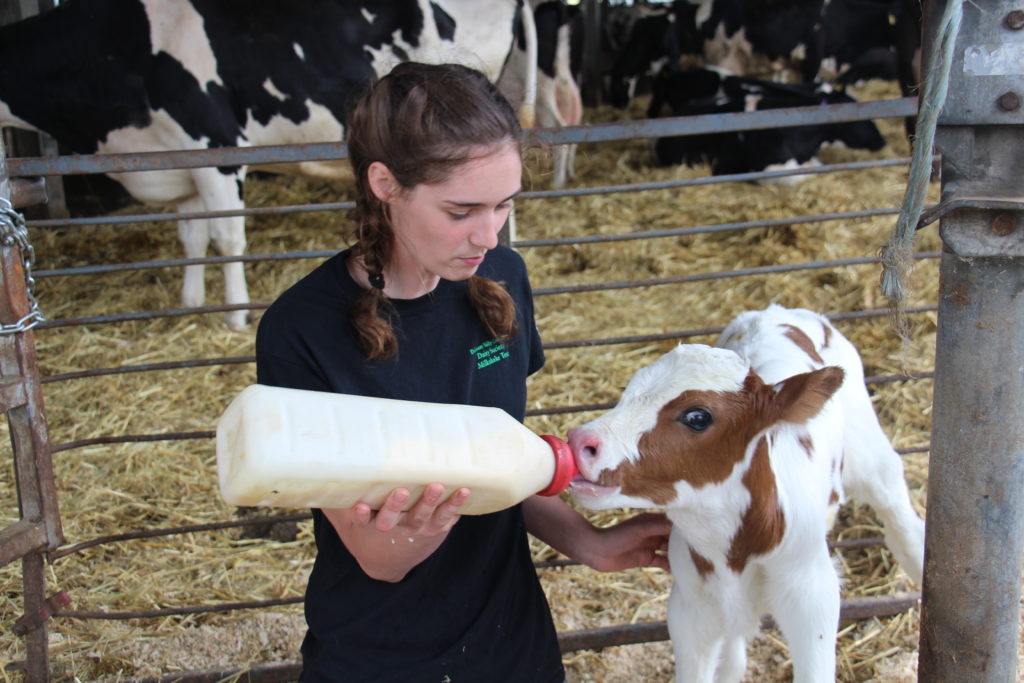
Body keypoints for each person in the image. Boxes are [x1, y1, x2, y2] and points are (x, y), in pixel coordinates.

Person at [255, 61, 671, 683]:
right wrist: (432, 511)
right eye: (461, 210)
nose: (488, 233)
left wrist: (589, 542)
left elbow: (503, 465)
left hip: (512, 644)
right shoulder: (301, 329)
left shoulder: (503, 277)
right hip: (382, 656)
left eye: (504, 204)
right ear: (384, 184)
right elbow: (378, 560)